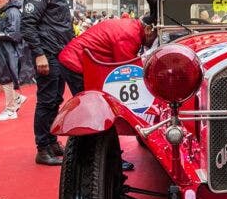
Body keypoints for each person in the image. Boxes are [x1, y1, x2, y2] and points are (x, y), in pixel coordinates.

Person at [58, 16, 158, 171]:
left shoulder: (130, 27)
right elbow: (127, 70)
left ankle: (94, 154)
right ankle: (102, 158)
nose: (152, 40)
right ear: (148, 29)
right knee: (93, 112)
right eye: (154, 35)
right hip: (76, 63)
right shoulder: (130, 34)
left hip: (78, 60)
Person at [21, 0, 78, 166]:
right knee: (46, 101)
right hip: (48, 54)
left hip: (58, 54)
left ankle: (51, 142)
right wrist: (39, 54)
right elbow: (27, 24)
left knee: (54, 100)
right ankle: (42, 148)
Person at [0, 0, 27, 121]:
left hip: (9, 52)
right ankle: (16, 99)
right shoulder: (5, 12)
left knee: (6, 79)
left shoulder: (12, 12)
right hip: (1, 51)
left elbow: (14, 34)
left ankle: (11, 109)